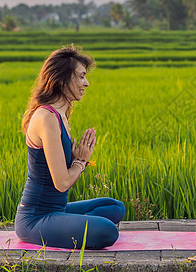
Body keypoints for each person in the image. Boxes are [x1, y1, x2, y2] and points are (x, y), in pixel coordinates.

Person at [15, 46, 125, 249]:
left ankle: (67, 224)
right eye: (81, 76)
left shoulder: (61, 115)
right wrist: (80, 161)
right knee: (108, 230)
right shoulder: (46, 117)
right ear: (62, 78)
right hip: (35, 219)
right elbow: (62, 183)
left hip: (58, 210)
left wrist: (75, 157)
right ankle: (70, 225)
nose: (87, 83)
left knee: (115, 207)